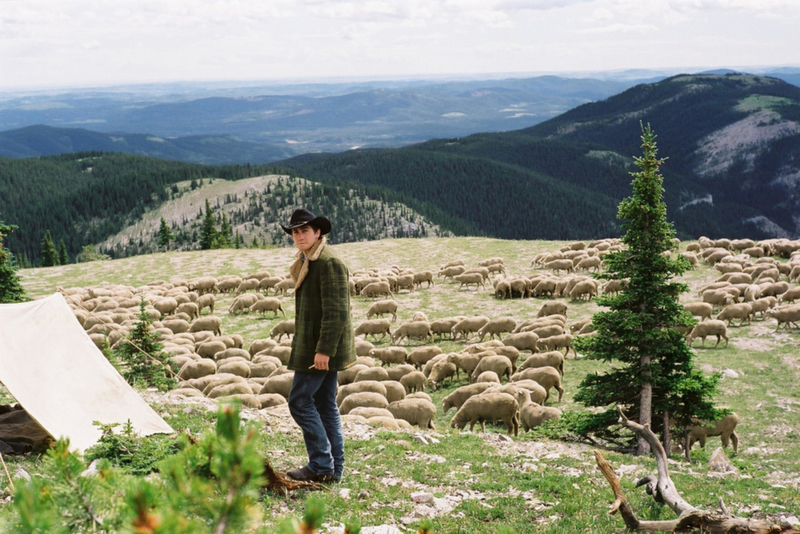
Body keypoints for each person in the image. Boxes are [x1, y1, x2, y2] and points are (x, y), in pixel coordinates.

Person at [281, 207, 355, 483]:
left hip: (319, 348)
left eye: (304, 230)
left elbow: (337, 312)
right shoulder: (309, 260)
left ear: (317, 232)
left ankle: (322, 465)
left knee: (300, 401)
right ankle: (334, 469)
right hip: (316, 344)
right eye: (295, 232)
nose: (299, 235)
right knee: (324, 403)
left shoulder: (328, 262)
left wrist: (324, 350)